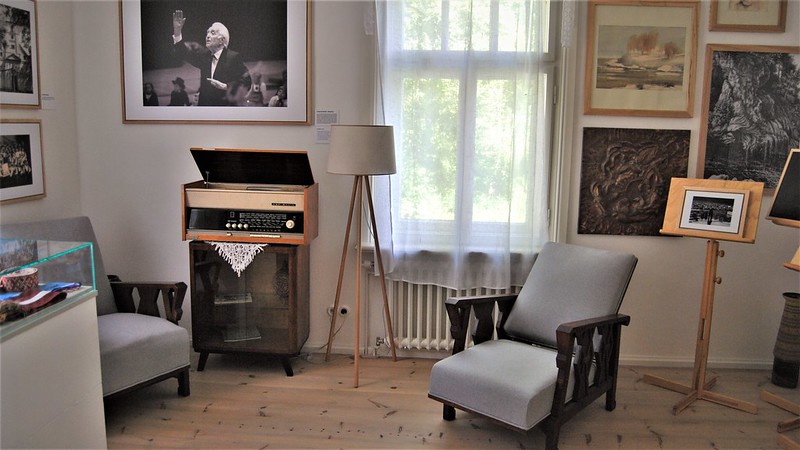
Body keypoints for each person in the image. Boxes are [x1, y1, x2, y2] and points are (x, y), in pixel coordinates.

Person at [171, 10, 251, 106]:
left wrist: (226, 86)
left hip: (224, 108)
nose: (207, 36)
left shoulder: (233, 57)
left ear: (221, 40)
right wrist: (177, 32)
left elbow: (247, 81)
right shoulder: (204, 55)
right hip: (205, 107)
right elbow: (184, 53)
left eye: (212, 33)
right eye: (207, 33)